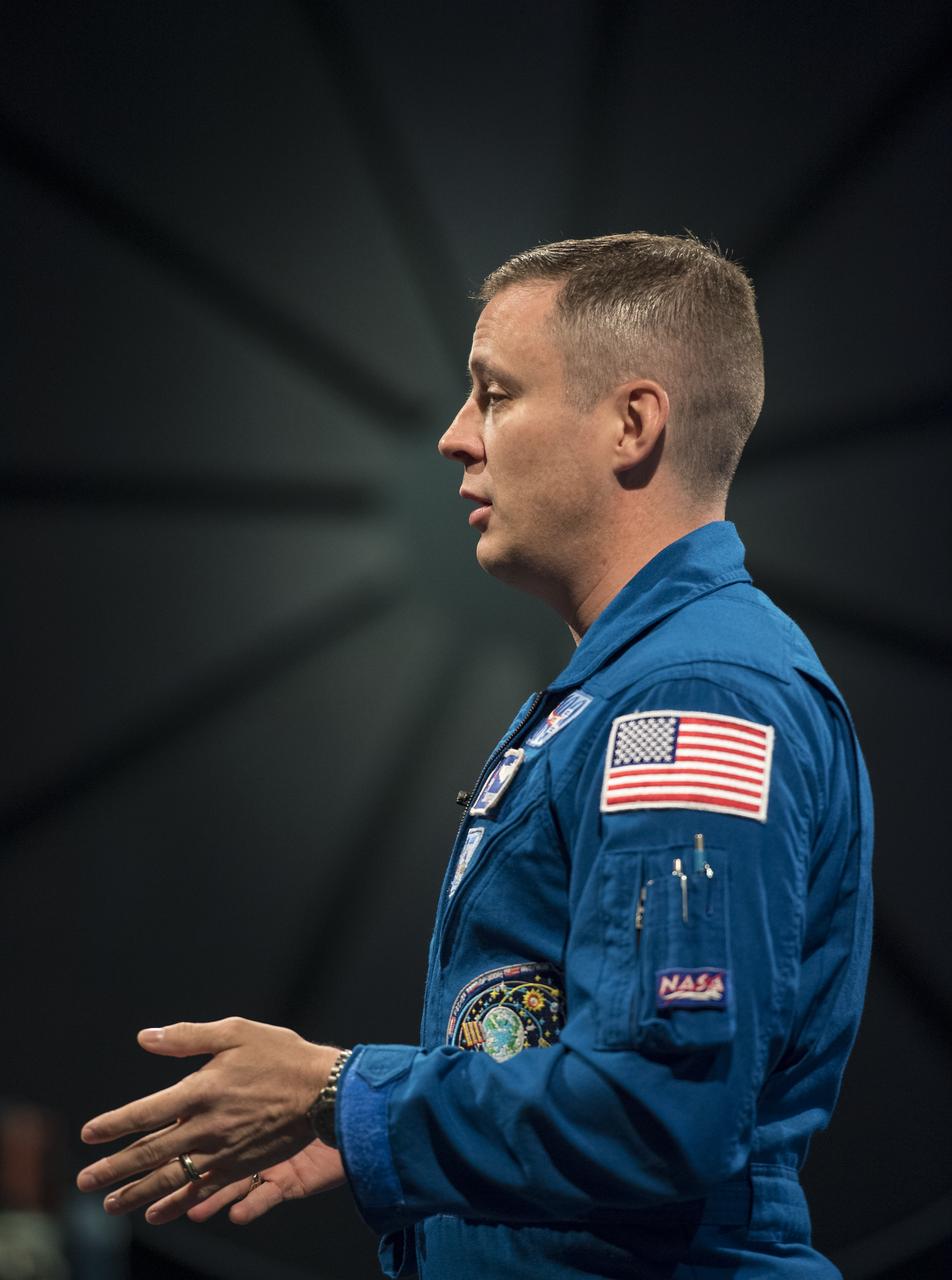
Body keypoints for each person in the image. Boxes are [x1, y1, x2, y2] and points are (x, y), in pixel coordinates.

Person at [77, 233, 873, 1278]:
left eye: (494, 394)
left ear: (631, 424)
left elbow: (659, 1109)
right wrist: (387, 1131)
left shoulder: (691, 698)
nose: (456, 437)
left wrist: (338, 1089)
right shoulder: (629, 683)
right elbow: (594, 1060)